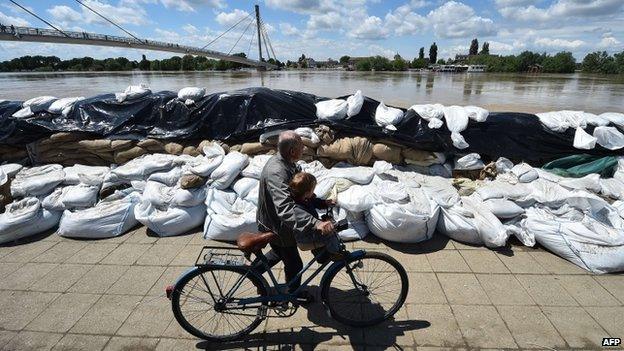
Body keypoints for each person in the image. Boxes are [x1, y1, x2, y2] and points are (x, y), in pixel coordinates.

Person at [256, 130, 334, 302]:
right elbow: (285, 207)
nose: (304, 149)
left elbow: (299, 193)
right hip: (276, 224)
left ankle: (253, 273)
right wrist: (315, 222)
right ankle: (293, 294)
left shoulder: (288, 164)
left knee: (279, 253)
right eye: (302, 147)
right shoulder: (277, 171)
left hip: (279, 221)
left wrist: (321, 202)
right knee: (294, 262)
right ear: (292, 151)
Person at [289, 172, 341, 257]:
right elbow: (308, 220)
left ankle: (321, 256)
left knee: (328, 228)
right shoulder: (296, 209)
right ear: (306, 193)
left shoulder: (303, 198)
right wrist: (321, 224)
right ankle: (338, 255)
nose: (314, 191)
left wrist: (325, 203)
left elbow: (314, 201)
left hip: (309, 231)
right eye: (313, 189)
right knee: (331, 234)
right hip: (304, 237)